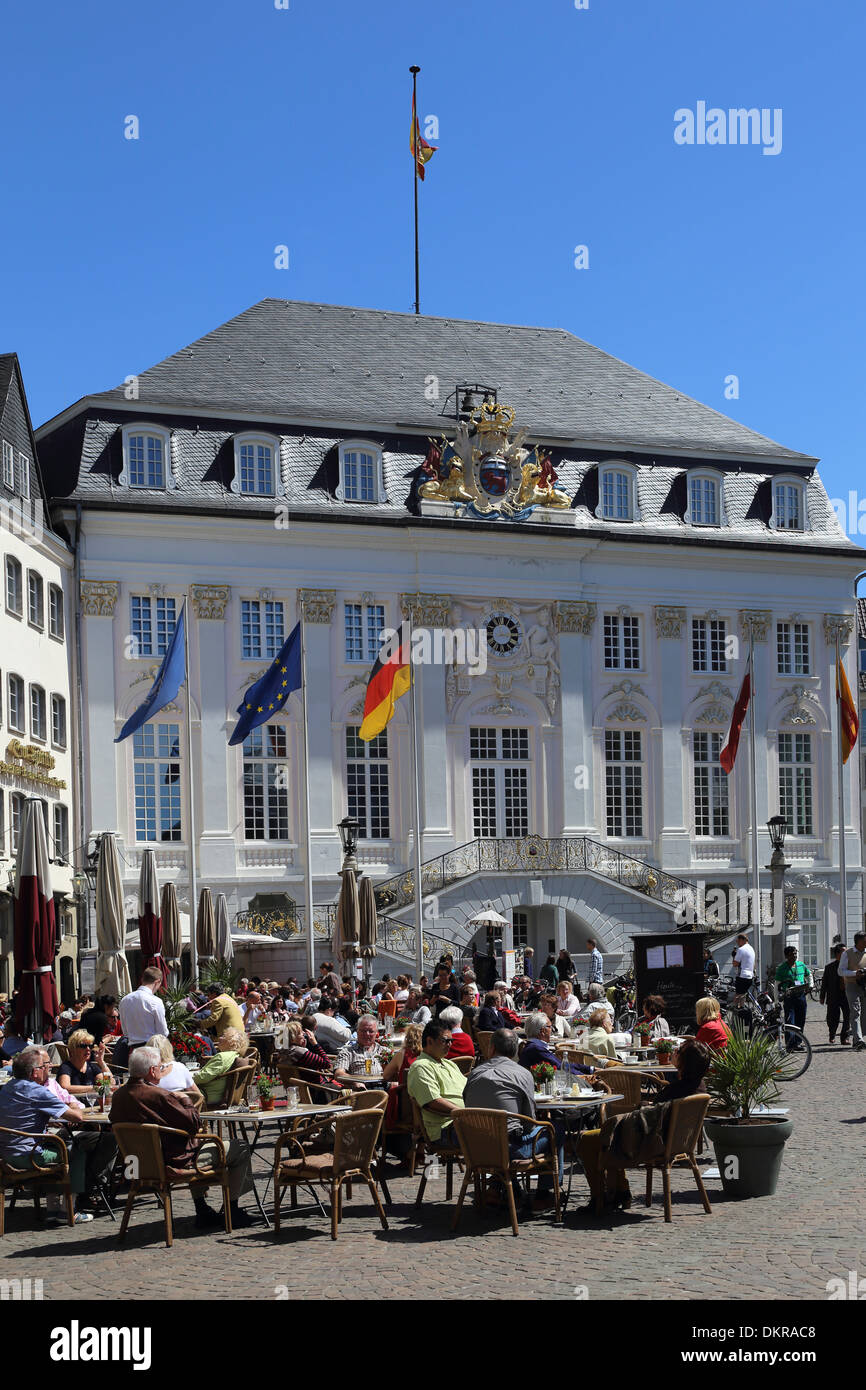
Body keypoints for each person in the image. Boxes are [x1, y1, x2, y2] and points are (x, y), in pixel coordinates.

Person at [110, 1046, 254, 1228]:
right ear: (152, 1070)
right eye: (160, 1067)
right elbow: (194, 1123)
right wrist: (184, 1099)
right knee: (239, 1147)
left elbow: (113, 1121)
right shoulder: (160, 1096)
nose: (162, 1070)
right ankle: (232, 1210)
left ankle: (203, 1209)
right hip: (176, 1161)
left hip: (139, 1164)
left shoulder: (118, 1096)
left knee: (197, 1143)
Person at [0, 1045, 116, 1221]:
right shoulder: (37, 1091)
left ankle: (53, 1209)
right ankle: (68, 1210)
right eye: (44, 1066)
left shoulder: (7, 1088)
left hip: (6, 1154)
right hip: (29, 1155)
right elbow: (77, 1116)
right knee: (75, 1150)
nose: (49, 1069)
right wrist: (67, 1108)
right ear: (34, 1072)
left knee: (59, 1144)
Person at [464, 1028, 562, 1207]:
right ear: (516, 1051)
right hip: (509, 1149)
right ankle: (543, 1194)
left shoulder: (474, 1074)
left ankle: (502, 1187)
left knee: (506, 1135)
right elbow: (528, 1123)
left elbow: (467, 1104)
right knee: (554, 1130)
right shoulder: (522, 1074)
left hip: (474, 1147)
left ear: (491, 1049)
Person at [406, 1021, 466, 1147]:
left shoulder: (450, 1064)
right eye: (445, 1040)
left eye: (451, 1040)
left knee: (505, 1128)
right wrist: (466, 1114)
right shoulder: (421, 1067)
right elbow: (432, 1101)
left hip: (464, 1122)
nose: (449, 1044)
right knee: (493, 1135)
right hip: (445, 1129)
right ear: (430, 1041)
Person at [190, 1027, 249, 1106]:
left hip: (208, 1095)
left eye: (223, 1036)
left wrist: (185, 1078)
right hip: (218, 1095)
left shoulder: (222, 1057)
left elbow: (202, 1077)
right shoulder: (235, 1055)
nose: (219, 1038)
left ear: (232, 1042)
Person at [118, 967, 169, 1054]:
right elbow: (162, 1032)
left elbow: (125, 1031)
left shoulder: (124, 1000)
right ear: (157, 982)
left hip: (133, 1050)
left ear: (142, 980)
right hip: (151, 1050)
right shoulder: (156, 1001)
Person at [333, 1014, 387, 1089]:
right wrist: (355, 1081)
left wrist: (394, 1081)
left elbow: (397, 1071)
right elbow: (339, 1074)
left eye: (371, 1031)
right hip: (359, 1091)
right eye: (363, 1031)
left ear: (376, 1033)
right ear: (357, 1031)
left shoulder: (384, 1051)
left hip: (383, 1088)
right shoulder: (348, 1052)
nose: (367, 1034)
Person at [57, 1030, 114, 1097]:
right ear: (73, 1048)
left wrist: (101, 1062)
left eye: (90, 1046)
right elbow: (65, 1087)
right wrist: (94, 1088)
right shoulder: (66, 1067)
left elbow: (109, 1083)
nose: (88, 1049)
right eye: (83, 1046)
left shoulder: (92, 1066)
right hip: (75, 1105)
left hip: (92, 1104)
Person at [148, 1035, 203, 1101]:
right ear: (169, 1049)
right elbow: (197, 1095)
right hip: (181, 1108)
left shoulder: (145, 1072)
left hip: (156, 1109)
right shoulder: (180, 1067)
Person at [838, 933, 866, 1052]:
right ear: (858, 941)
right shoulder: (847, 953)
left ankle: (858, 1039)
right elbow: (840, 971)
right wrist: (855, 973)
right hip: (852, 985)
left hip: (865, 985)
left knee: (864, 1013)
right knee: (855, 1012)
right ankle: (859, 1039)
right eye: (865, 941)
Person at [774, 946, 811, 1035]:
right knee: (790, 1020)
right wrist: (776, 1001)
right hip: (789, 996)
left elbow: (808, 975)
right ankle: (790, 1044)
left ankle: (798, 1042)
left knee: (801, 1019)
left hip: (801, 995)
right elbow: (777, 985)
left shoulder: (801, 965)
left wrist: (811, 984)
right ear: (786, 956)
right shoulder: (781, 968)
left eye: (795, 953)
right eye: (791, 954)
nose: (794, 956)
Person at [820, 943, 850, 1045]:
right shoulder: (829, 967)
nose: (846, 954)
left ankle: (844, 1037)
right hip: (833, 996)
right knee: (832, 1018)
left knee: (848, 1017)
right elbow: (824, 983)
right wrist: (822, 996)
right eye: (843, 952)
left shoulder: (849, 966)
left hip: (847, 995)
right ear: (837, 954)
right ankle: (832, 1034)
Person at [732, 933, 756, 998]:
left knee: (737, 996)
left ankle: (736, 1007)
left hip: (742, 975)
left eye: (738, 941)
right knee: (743, 995)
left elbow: (735, 964)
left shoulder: (741, 949)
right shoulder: (751, 949)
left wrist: (734, 956)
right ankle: (741, 1007)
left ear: (742, 940)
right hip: (750, 976)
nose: (737, 943)